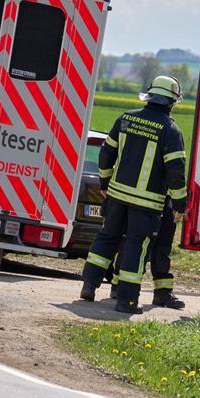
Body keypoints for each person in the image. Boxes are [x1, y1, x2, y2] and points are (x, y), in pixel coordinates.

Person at [80, 76, 188, 313]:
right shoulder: (171, 130)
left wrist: (105, 182)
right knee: (135, 247)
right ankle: (126, 301)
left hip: (116, 196)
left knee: (107, 237)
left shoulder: (125, 119)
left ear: (150, 96)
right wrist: (180, 203)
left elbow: (106, 152)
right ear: (171, 102)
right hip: (146, 203)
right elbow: (175, 171)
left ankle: (89, 286)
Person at [108, 198, 181, 308]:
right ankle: (119, 286)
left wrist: (180, 205)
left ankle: (163, 293)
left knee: (163, 247)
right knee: (133, 245)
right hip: (145, 201)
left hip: (167, 201)